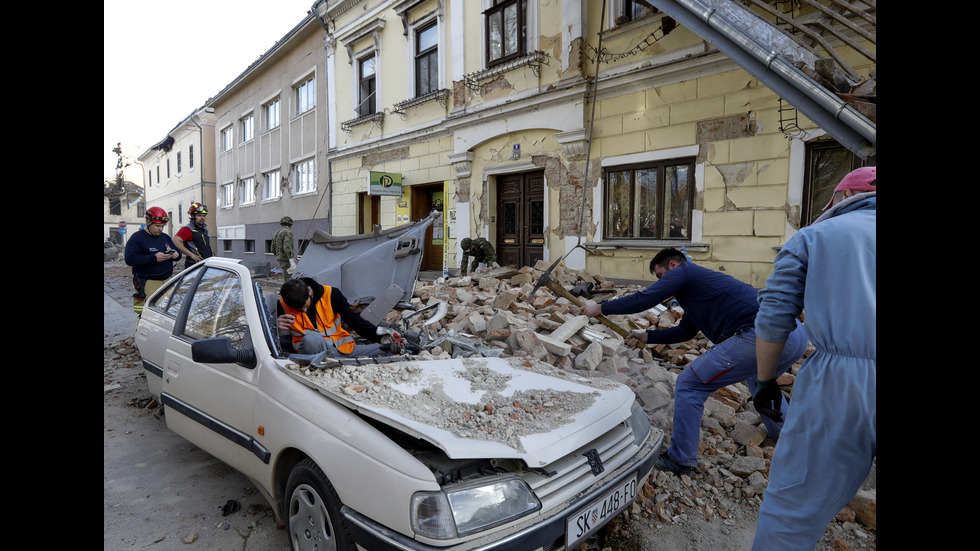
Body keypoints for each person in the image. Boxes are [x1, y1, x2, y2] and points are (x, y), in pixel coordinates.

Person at [581, 248, 808, 475]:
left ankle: (681, 460)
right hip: (792, 335)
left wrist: (601, 307)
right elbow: (686, 332)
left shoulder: (684, 272)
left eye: (661, 276)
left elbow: (647, 298)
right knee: (760, 380)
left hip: (761, 333)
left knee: (690, 384)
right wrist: (648, 336)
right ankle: (785, 437)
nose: (662, 282)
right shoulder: (695, 289)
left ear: (673, 265)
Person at [752, 167, 876, 550]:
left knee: (793, 506)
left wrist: (766, 381)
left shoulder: (817, 236)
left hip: (842, 382)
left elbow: (774, 320)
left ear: (841, 199)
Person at [276, 277, 394, 357]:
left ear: (309, 291)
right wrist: (277, 329)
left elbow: (353, 320)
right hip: (309, 352)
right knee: (311, 338)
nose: (305, 311)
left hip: (340, 349)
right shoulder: (283, 303)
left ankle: (398, 348)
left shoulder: (332, 294)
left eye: (306, 305)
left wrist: (378, 334)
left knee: (382, 349)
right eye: (299, 310)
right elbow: (283, 344)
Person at [125, 206, 181, 317]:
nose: (160, 229)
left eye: (162, 226)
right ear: (148, 222)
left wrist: (176, 254)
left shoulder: (165, 237)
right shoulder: (137, 238)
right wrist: (154, 258)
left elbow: (178, 253)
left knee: (166, 312)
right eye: (157, 226)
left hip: (167, 280)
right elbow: (130, 259)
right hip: (147, 281)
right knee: (149, 314)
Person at [173, 202, 214, 268]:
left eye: (204, 215)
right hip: (194, 265)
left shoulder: (205, 229)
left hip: (206, 264)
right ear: (192, 216)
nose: (202, 218)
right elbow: (176, 240)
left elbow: (208, 244)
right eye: (199, 215)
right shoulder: (188, 229)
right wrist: (191, 255)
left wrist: (212, 253)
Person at [272, 216, 295, 281]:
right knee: (289, 279)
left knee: (286, 277)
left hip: (280, 259)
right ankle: (287, 291)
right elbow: (287, 247)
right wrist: (291, 260)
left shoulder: (277, 233)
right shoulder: (287, 232)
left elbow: (272, 249)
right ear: (290, 224)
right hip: (286, 259)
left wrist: (279, 255)